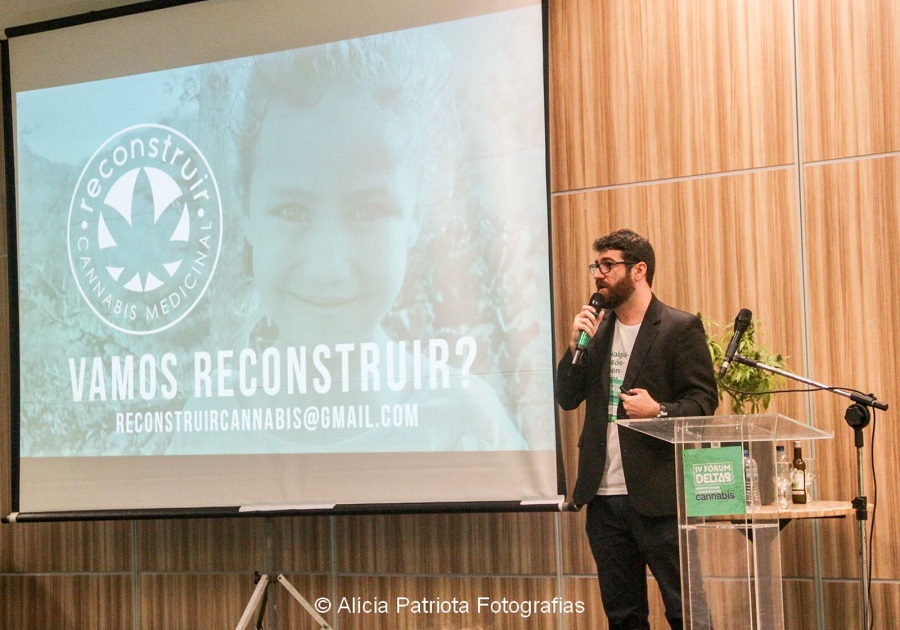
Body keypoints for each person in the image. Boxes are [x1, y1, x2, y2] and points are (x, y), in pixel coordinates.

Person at [165, 33, 527, 455]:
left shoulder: (466, 421)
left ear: (416, 216)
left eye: (366, 211)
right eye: (292, 211)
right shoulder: (208, 428)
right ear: (246, 211)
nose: (327, 267)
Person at [555, 228, 718, 629]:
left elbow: (703, 402)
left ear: (639, 270)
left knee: (686, 611)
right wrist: (576, 346)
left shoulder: (679, 328)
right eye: (597, 265)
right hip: (604, 497)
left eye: (608, 264)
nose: (598, 273)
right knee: (623, 615)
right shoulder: (596, 331)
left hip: (659, 497)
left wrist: (658, 410)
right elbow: (567, 396)